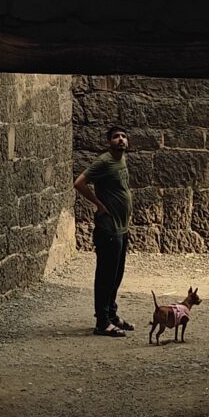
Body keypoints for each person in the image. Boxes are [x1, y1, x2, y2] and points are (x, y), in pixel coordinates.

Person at [75, 125, 135, 335]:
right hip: (108, 229)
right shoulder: (104, 161)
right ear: (109, 141)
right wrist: (99, 205)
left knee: (117, 274)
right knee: (105, 275)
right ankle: (102, 322)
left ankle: (111, 315)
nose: (121, 139)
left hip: (121, 227)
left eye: (123, 136)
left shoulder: (121, 160)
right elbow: (80, 183)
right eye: (116, 137)